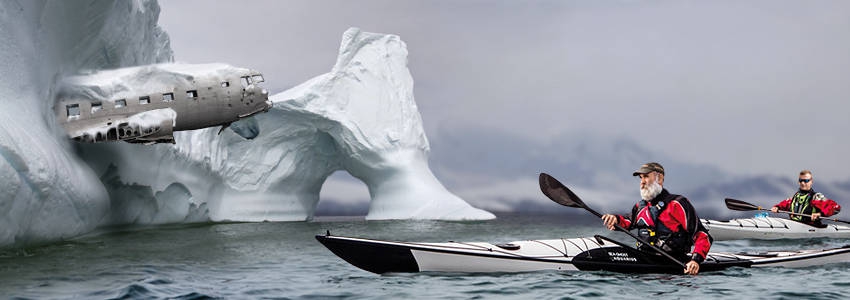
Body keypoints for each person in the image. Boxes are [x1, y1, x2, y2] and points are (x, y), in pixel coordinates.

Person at [601, 162, 712, 275]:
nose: (642, 182)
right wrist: (614, 219)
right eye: (641, 178)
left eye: (646, 176)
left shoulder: (677, 204)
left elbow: (702, 235)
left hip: (674, 266)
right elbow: (628, 221)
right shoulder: (640, 206)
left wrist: (695, 260)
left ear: (659, 178)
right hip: (645, 261)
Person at [770, 170, 841, 227]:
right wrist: (776, 207)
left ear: (811, 181)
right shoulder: (794, 198)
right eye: (801, 180)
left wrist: (820, 214)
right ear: (798, 181)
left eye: (806, 181)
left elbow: (836, 208)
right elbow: (782, 205)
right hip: (794, 226)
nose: (803, 183)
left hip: (811, 228)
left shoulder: (816, 198)